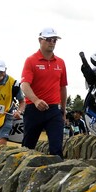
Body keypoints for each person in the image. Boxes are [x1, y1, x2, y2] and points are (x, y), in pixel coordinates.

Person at [21, 28, 69, 157]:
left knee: (56, 148)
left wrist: (63, 110)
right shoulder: (31, 60)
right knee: (27, 147)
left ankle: (59, 175)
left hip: (53, 110)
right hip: (33, 109)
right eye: (48, 39)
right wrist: (36, 100)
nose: (52, 42)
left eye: (54, 40)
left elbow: (62, 87)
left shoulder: (60, 62)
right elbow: (24, 85)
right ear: (40, 40)